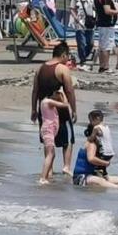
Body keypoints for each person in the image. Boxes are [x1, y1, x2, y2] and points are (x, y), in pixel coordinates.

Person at [31, 42, 77, 175]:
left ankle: (49, 169)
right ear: (63, 55)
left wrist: (33, 109)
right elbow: (69, 91)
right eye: (67, 56)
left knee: (48, 139)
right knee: (67, 139)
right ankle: (66, 166)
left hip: (44, 110)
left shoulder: (40, 68)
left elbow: (35, 90)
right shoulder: (62, 69)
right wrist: (73, 110)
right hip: (59, 109)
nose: (68, 59)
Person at [38, 89, 71, 184]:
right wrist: (64, 94)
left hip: (49, 130)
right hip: (48, 130)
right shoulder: (48, 101)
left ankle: (46, 176)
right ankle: (43, 178)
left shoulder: (46, 102)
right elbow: (65, 105)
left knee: (52, 154)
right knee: (50, 154)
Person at [94, 0, 118, 74]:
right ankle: (106, 67)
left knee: (102, 45)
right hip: (106, 24)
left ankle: (102, 66)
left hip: (101, 23)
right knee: (106, 46)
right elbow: (107, 11)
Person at [69, 0, 95, 69]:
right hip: (79, 23)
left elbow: (94, 8)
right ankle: (83, 60)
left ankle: (80, 57)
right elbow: (72, 9)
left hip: (89, 23)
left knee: (90, 43)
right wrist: (75, 17)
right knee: (81, 43)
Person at [83, 109, 114, 179]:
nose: (90, 123)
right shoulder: (106, 127)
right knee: (103, 167)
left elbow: (92, 138)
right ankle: (105, 175)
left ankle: (100, 180)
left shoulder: (96, 128)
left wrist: (89, 139)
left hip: (103, 152)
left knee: (97, 168)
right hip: (110, 152)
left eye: (91, 121)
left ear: (97, 118)